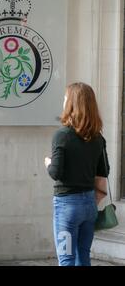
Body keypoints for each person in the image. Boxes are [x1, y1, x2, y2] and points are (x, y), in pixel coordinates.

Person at [44, 82, 109, 266]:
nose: (63, 101)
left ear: (72, 104)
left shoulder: (62, 136)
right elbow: (104, 172)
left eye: (65, 98)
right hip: (89, 205)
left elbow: (56, 172)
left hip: (67, 207)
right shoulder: (98, 138)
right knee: (83, 257)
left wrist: (48, 162)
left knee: (66, 260)